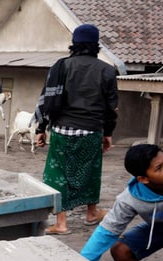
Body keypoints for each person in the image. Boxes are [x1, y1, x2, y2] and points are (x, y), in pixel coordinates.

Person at [34, 24, 118, 235]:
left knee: (57, 175)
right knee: (90, 173)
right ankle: (91, 213)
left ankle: (62, 223)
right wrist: (108, 133)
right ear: (96, 45)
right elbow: (111, 108)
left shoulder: (60, 67)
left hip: (62, 131)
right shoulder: (107, 70)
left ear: (74, 44)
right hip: (91, 132)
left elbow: (47, 100)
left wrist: (41, 128)